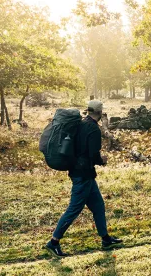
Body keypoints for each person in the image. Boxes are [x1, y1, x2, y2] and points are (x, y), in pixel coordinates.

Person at [45, 100, 122, 257]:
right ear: (100, 113)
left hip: (80, 172)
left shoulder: (81, 123)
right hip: (83, 175)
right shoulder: (93, 129)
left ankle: (106, 239)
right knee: (74, 209)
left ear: (88, 111)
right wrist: (102, 160)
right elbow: (93, 155)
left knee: (99, 206)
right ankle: (53, 242)